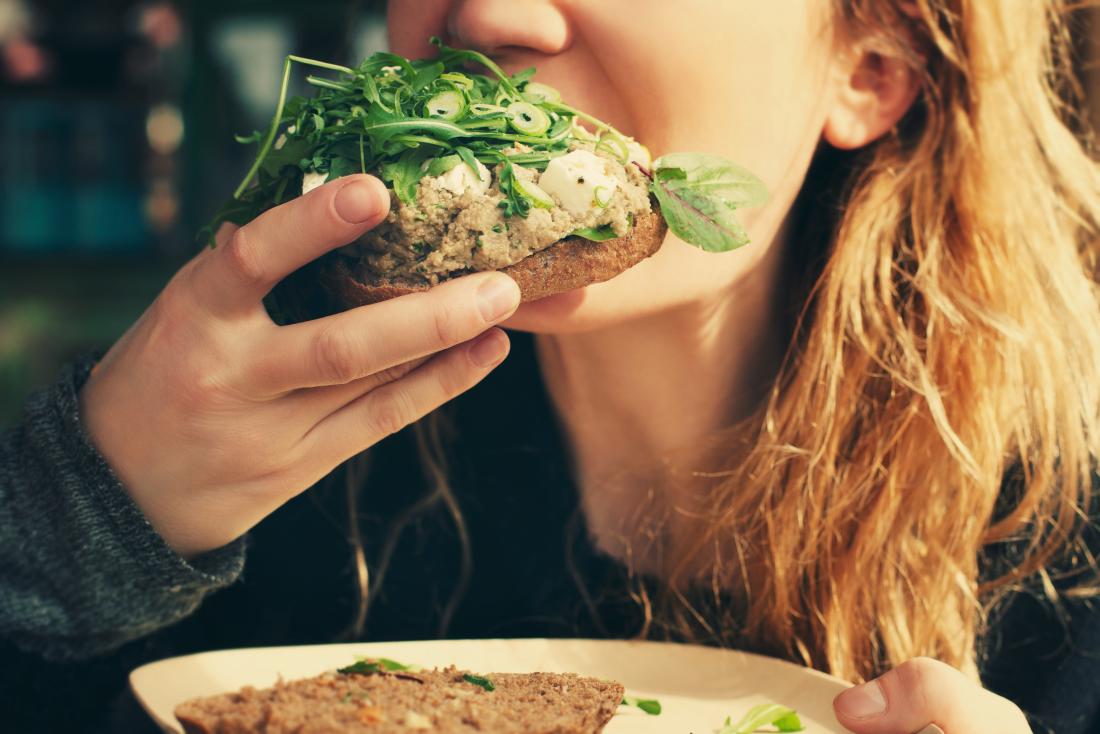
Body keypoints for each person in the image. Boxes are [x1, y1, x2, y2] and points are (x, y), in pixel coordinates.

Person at [3, 1, 1099, 732]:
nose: (483, 13)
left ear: (868, 68)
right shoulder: (257, 450)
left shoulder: (1069, 563)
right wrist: (78, 524)